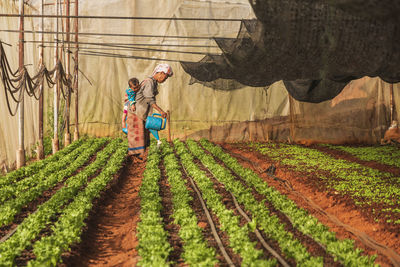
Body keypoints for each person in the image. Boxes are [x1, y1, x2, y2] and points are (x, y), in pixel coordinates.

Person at [126, 63, 173, 159]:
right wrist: (161, 111)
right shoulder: (149, 82)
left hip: (141, 114)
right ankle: (135, 162)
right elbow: (149, 99)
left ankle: (141, 161)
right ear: (160, 73)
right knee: (137, 138)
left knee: (143, 137)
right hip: (136, 114)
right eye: (166, 77)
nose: (165, 79)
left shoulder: (153, 82)